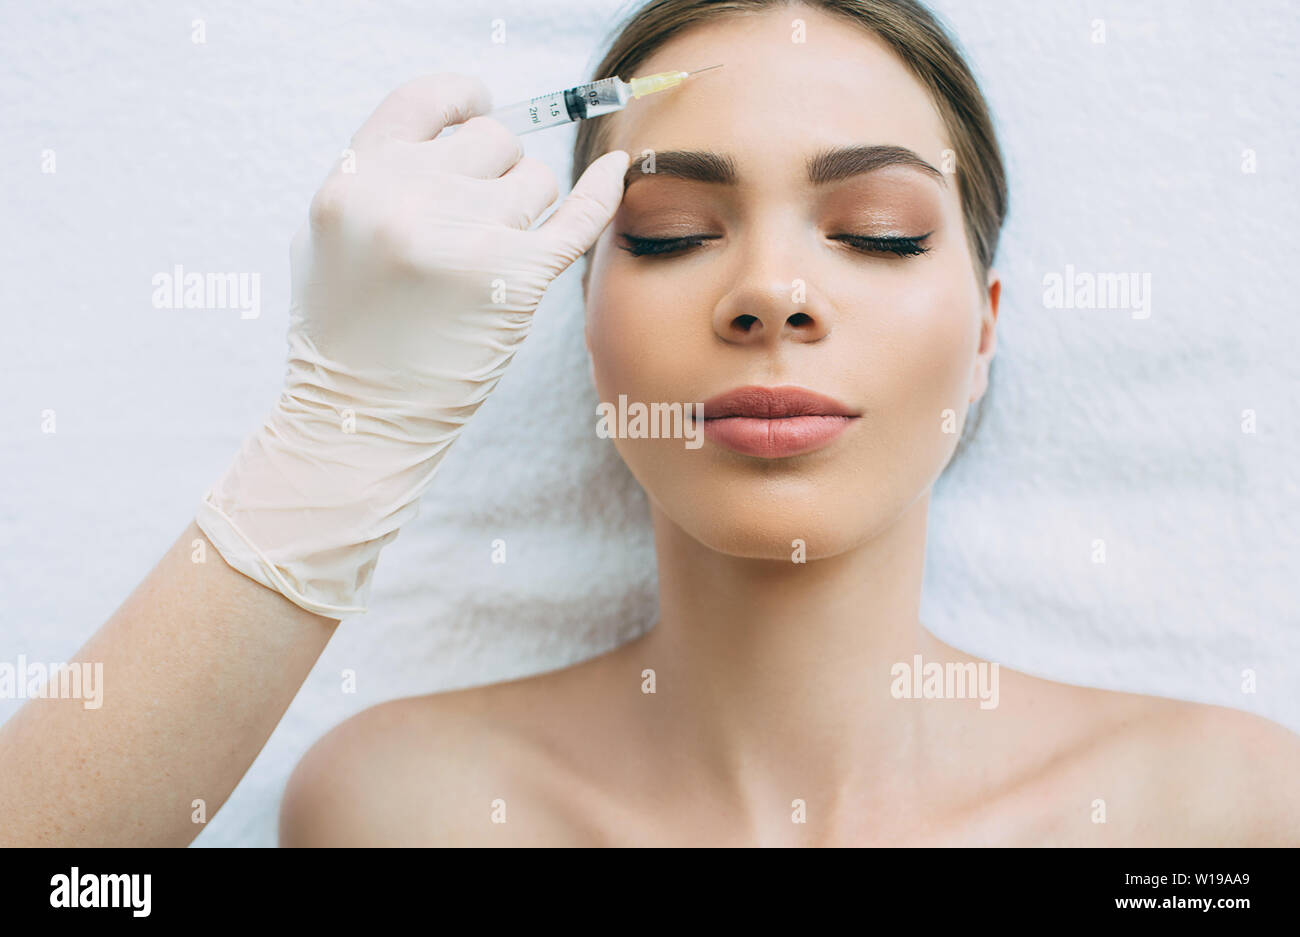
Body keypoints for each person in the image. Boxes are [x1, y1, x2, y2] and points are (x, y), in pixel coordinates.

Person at [2, 0, 1295, 848]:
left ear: (988, 321)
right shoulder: (410, 811)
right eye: (672, 233)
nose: (774, 293)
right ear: (579, 305)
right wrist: (339, 434)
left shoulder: (1215, 817)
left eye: (877, 233)